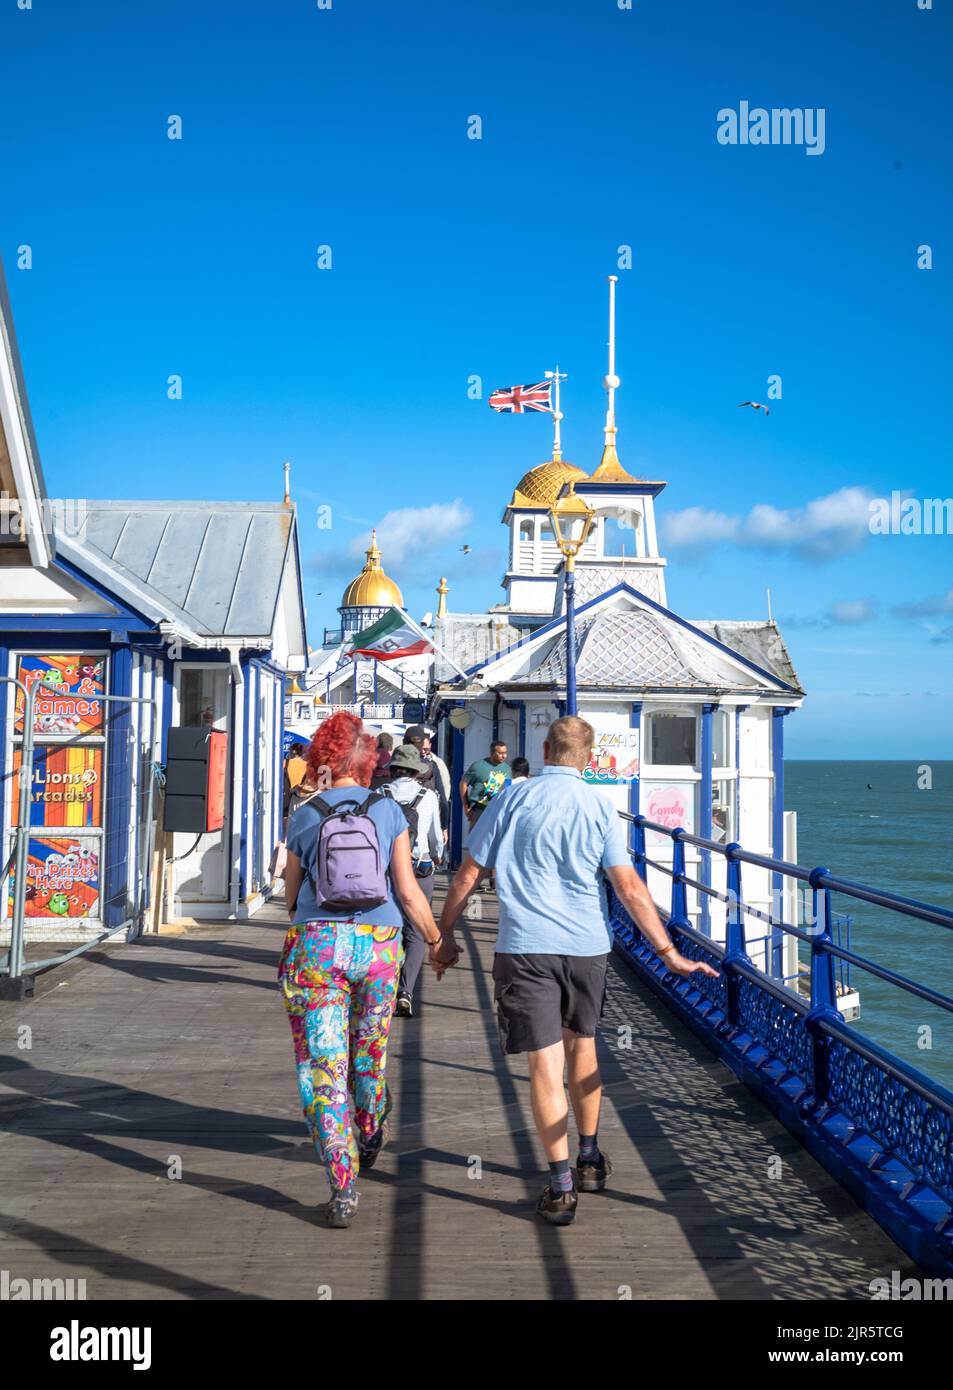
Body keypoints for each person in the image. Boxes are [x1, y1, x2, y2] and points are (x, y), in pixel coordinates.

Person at [438, 715, 719, 1227]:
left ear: (546, 748)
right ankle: (589, 1155)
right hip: (587, 949)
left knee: (545, 1067)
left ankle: (562, 1186)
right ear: (588, 759)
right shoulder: (599, 807)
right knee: (583, 1050)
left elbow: (470, 872)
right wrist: (668, 953)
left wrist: (445, 936)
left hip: (524, 949)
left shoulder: (511, 798)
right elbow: (629, 888)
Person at [280, 710, 456, 1229]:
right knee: (370, 1050)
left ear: (325, 759)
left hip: (317, 949)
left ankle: (342, 1187)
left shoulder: (304, 814)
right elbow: (406, 891)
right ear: (370, 761)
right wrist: (437, 943)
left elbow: (291, 897)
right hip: (379, 946)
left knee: (325, 1067)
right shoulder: (387, 812)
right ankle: (372, 1125)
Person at [381, 743, 444, 1018]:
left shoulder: (378, 795)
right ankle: (406, 991)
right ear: (416, 770)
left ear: (393, 769)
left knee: (389, 930)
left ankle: (385, 987)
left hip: (387, 872)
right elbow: (433, 838)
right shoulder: (428, 796)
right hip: (420, 869)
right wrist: (438, 856)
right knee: (416, 932)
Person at [403, 724, 449, 837]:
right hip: (426, 824)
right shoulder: (433, 766)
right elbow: (443, 800)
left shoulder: (394, 765)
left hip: (399, 827)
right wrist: (443, 827)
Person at [460, 740, 511, 830]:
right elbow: (463, 783)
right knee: (475, 841)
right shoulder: (478, 766)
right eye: (500, 753)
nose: (504, 756)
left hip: (498, 810)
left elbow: (508, 788)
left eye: (505, 753)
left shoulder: (507, 769)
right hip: (480, 810)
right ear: (492, 753)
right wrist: (466, 806)